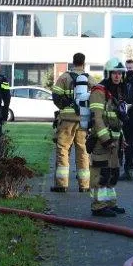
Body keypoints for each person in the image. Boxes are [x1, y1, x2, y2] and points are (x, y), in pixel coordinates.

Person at [88, 58, 128, 217]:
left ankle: (110, 203)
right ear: (108, 74)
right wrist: (106, 140)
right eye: (114, 73)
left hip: (115, 140)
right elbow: (97, 118)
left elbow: (117, 118)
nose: (117, 76)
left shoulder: (118, 91)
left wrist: (121, 138)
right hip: (101, 141)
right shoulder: (99, 90)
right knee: (101, 173)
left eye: (120, 73)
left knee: (113, 173)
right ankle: (98, 206)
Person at [50, 53, 91, 193]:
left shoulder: (64, 77)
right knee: (83, 152)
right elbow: (97, 98)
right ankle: (84, 185)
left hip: (67, 121)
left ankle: (61, 185)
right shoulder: (89, 79)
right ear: (84, 63)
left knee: (63, 150)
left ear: (72, 63)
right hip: (83, 121)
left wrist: (64, 107)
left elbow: (55, 96)